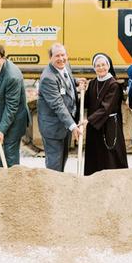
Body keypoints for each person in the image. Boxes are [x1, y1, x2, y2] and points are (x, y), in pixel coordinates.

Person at [37, 43, 87, 172]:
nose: (61, 58)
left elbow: (65, 80)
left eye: (63, 55)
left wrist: (76, 82)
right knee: (54, 165)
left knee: (62, 160)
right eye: (57, 56)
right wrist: (73, 126)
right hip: (53, 128)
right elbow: (58, 105)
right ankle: (52, 189)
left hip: (64, 125)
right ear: (50, 58)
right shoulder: (48, 78)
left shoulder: (65, 66)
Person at [81, 53, 128, 175]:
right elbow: (86, 102)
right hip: (95, 127)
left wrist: (89, 120)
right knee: (95, 158)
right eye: (97, 65)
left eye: (103, 65)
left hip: (109, 127)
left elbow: (106, 108)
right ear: (94, 68)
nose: (101, 68)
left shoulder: (114, 85)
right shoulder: (92, 83)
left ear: (108, 65)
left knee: (109, 159)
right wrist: (80, 91)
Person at [0, 43, 29, 168]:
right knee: (2, 151)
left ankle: (13, 184)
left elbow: (11, 108)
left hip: (14, 121)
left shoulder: (12, 76)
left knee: (9, 156)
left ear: (3, 58)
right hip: (1, 116)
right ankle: (3, 180)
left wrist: (2, 130)